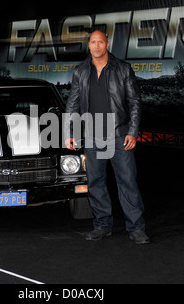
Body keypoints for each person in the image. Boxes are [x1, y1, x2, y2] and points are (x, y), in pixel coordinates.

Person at [64, 30, 149, 244]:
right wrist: (69, 133)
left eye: (100, 42)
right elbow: (72, 104)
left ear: (107, 44)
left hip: (119, 135)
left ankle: (136, 228)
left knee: (127, 181)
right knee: (96, 182)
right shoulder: (80, 71)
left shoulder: (122, 69)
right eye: (93, 42)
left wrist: (133, 131)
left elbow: (135, 103)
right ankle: (102, 225)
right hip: (92, 136)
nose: (96, 46)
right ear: (89, 45)